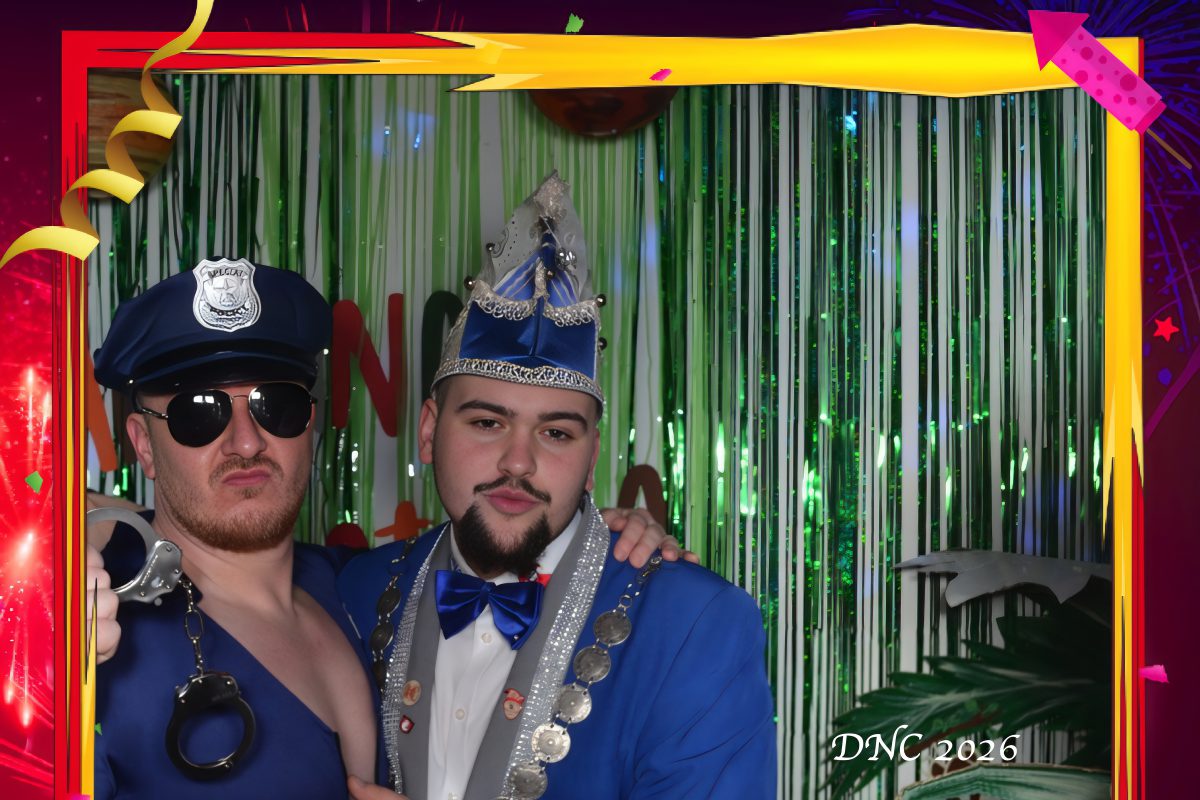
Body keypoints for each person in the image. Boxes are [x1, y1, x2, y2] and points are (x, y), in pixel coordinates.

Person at [86, 256, 685, 799]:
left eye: (277, 406)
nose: (246, 442)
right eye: (198, 414)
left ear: (310, 423)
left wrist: (595, 530)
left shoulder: (363, 586)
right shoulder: (90, 628)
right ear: (144, 444)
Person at [339, 174, 775, 800]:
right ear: (429, 431)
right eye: (487, 423)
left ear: (591, 457)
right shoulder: (355, 592)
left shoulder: (696, 624)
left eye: (556, 433)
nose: (518, 462)